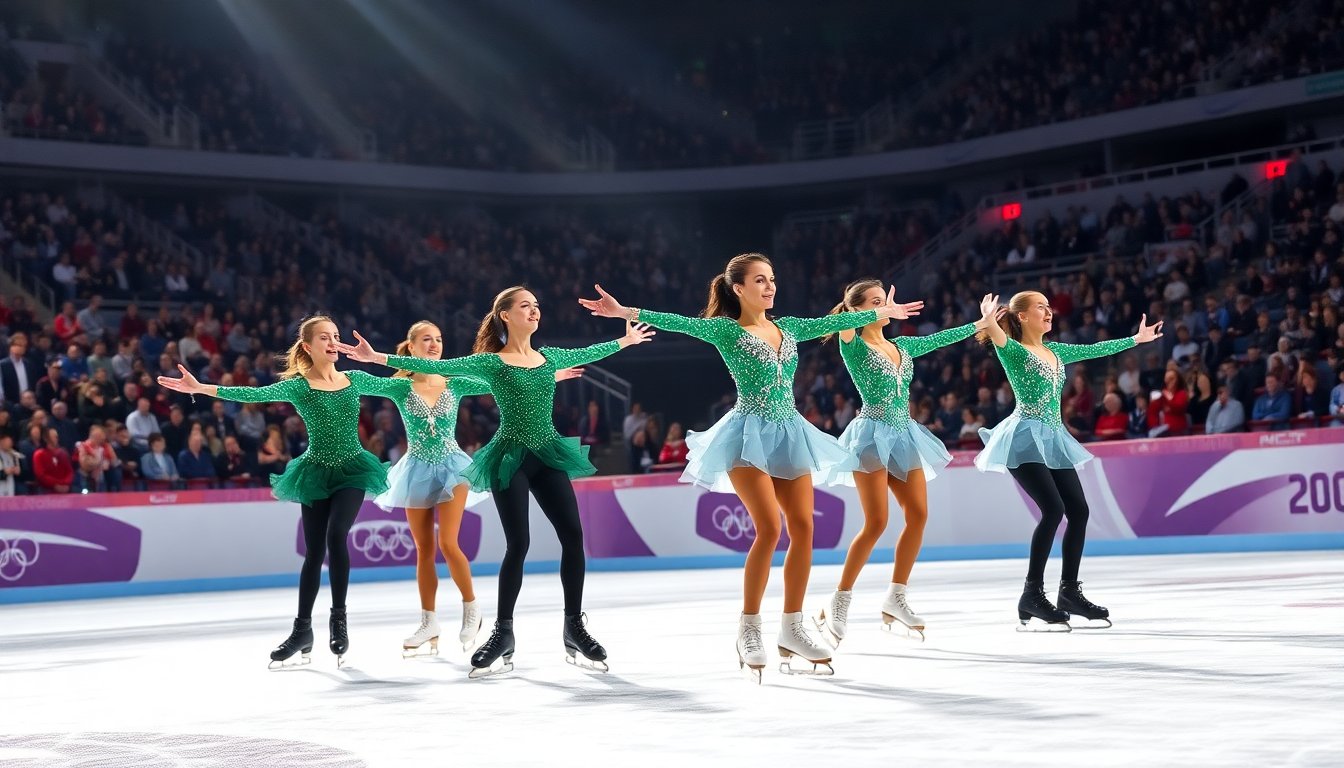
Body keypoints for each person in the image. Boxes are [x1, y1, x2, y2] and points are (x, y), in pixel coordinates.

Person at [578, 253, 917, 679]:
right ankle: (749, 627)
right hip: (745, 435)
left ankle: (792, 626)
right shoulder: (726, 330)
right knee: (770, 528)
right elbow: (679, 321)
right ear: (738, 288)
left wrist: (880, 312)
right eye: (760, 280)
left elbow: (829, 324)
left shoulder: (789, 326)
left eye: (772, 279)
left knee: (804, 528)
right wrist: (624, 311)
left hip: (790, 432)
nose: (769, 286)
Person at [338, 288, 653, 678]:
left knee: (573, 536)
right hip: (509, 458)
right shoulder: (492, 362)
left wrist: (626, 339)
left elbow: (589, 352)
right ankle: (503, 632)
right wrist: (377, 358)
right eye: (525, 306)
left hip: (547, 453)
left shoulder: (549, 357)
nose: (535, 310)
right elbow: (445, 366)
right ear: (505, 315)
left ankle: (574, 625)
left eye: (537, 305)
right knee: (518, 543)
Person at [159, 315, 392, 669]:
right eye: (325, 337)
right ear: (308, 346)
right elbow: (254, 394)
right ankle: (302, 630)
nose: (333, 342)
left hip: (352, 470)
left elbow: (401, 387)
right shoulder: (299, 386)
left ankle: (338, 620)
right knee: (313, 553)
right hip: (315, 471)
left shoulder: (355, 379)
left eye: (336, 336)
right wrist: (202, 388)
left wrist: (389, 362)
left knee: (336, 535)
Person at [369, 320, 580, 657]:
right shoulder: (400, 388)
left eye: (439, 338)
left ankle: (472, 608)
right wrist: (352, 364)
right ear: (411, 347)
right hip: (417, 469)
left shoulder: (455, 382)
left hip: (454, 467)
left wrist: (549, 376)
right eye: (426, 340)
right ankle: (429, 622)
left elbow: (501, 383)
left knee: (447, 542)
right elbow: (360, 383)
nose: (435, 344)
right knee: (423, 549)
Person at [816, 280, 996, 645]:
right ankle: (839, 598)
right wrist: (876, 312)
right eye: (876, 303)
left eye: (885, 301)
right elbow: (843, 324)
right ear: (859, 309)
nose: (886, 307)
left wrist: (981, 323)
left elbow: (943, 338)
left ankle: (896, 597)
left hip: (904, 434)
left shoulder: (904, 346)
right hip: (870, 435)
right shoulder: (853, 343)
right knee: (877, 522)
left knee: (918, 515)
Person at [976, 291, 1162, 630]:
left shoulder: (1056, 351)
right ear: (1022, 316)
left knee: (1078, 511)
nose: (1049, 312)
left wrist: (1137, 338)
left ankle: (1069, 592)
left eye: (1049, 307)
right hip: (1023, 439)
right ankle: (1032, 594)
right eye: (1041, 308)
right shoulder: (1015, 351)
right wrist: (989, 320)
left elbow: (1095, 350)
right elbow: (998, 337)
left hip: (1054, 437)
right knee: (1053, 510)